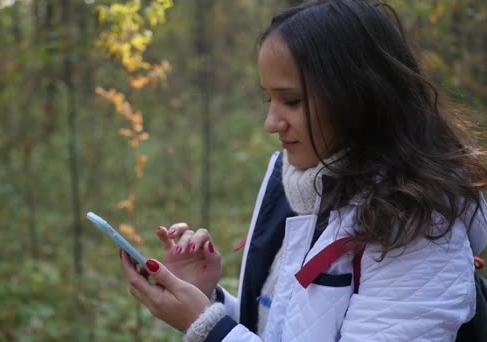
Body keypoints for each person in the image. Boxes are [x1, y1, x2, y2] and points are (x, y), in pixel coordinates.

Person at [119, 0, 487, 340]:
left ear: (357, 96)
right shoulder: (304, 187)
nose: (270, 122)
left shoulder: (418, 229)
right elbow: (286, 327)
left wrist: (208, 328)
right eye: (270, 98)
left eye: (291, 101)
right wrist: (205, 299)